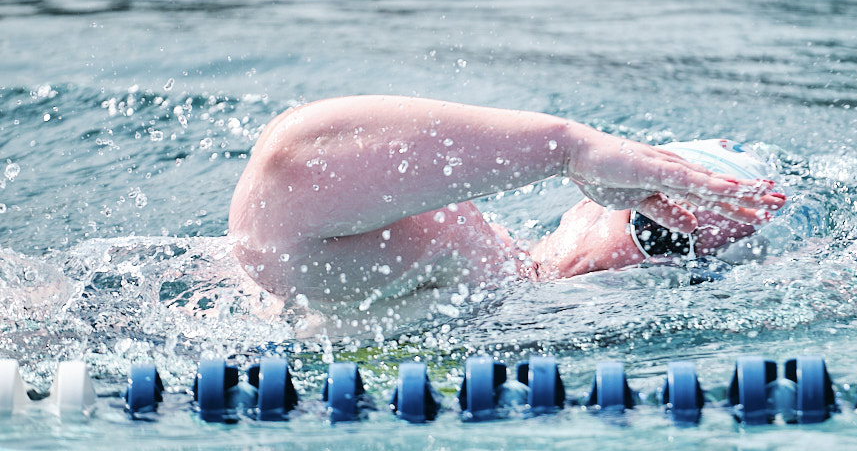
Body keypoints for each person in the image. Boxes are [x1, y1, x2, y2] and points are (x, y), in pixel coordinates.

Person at [228, 96, 786, 304]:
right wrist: (568, 149)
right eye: (657, 229)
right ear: (589, 201)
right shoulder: (472, 257)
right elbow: (292, 165)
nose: (651, 262)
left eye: (687, 259)